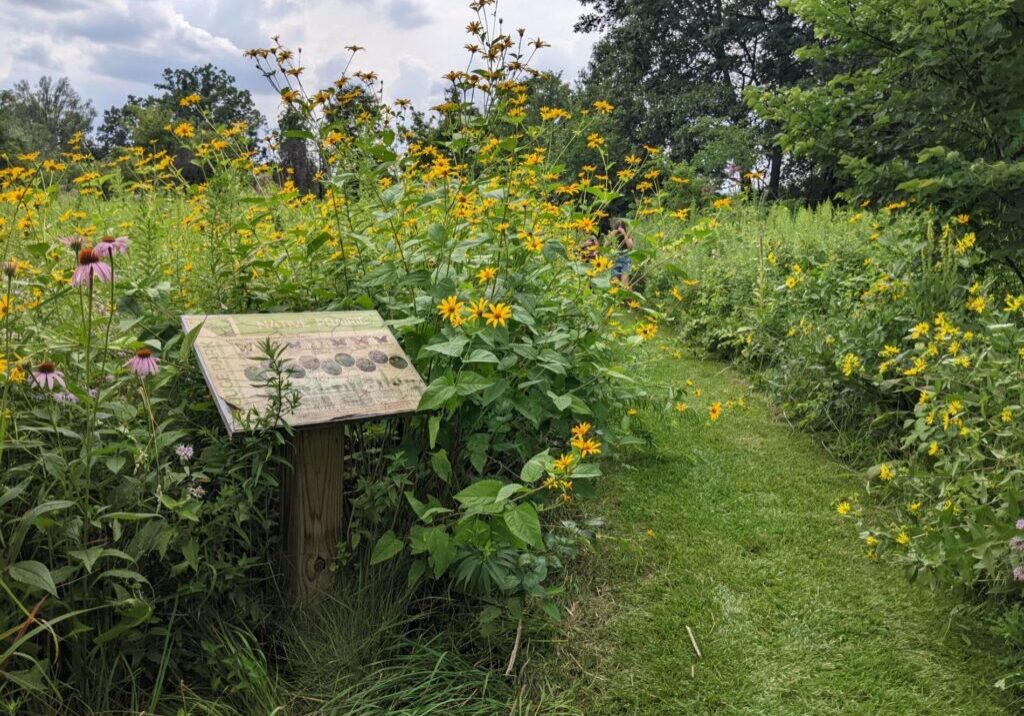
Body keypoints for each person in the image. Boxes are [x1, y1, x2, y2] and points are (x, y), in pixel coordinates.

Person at [609, 217, 634, 288]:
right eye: (618, 227)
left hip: (625, 260)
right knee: (614, 284)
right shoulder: (613, 235)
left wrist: (624, 234)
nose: (619, 229)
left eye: (621, 227)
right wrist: (612, 235)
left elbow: (630, 247)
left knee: (625, 284)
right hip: (615, 260)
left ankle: (630, 298)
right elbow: (605, 245)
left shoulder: (628, 235)